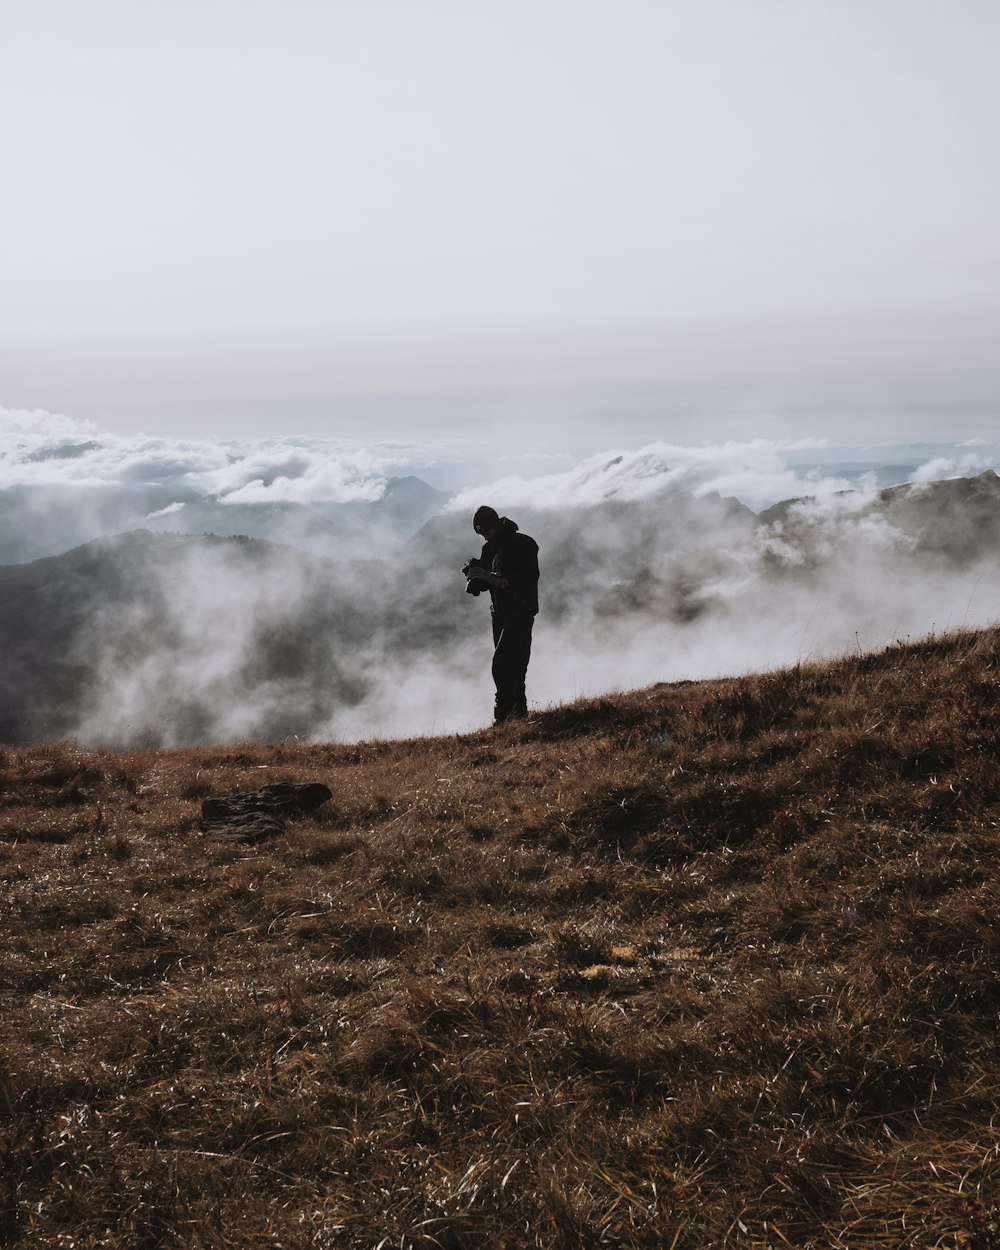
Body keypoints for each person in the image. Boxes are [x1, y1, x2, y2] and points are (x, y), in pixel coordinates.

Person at [462, 506, 539, 723]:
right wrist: (476, 574)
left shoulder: (524, 544)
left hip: (521, 611)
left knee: (503, 663)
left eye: (485, 531)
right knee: (515, 666)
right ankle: (519, 717)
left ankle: (503, 718)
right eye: (480, 533)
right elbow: (486, 582)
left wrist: (496, 578)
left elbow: (529, 577)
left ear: (495, 525)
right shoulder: (490, 549)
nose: (484, 536)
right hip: (500, 613)